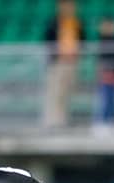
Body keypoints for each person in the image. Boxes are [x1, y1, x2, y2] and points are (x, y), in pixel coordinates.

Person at [43, 0, 85, 128]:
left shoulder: (77, 23)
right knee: (55, 92)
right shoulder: (54, 22)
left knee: (67, 92)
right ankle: (52, 120)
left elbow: (82, 40)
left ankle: (63, 119)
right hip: (58, 63)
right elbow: (48, 40)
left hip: (72, 62)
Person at [94, 16, 114, 133]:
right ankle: (100, 121)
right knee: (103, 98)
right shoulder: (100, 41)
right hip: (104, 75)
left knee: (112, 99)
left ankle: (110, 121)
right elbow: (98, 60)